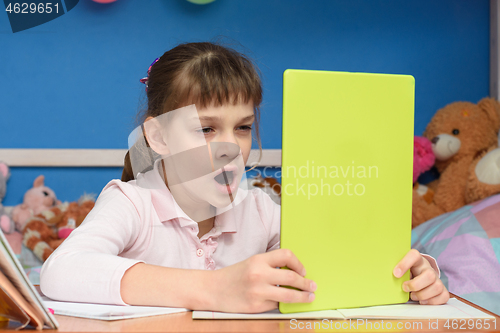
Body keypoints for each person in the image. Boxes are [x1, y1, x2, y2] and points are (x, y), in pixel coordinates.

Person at [40, 42, 449, 313]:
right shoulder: (131, 203)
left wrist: (416, 275)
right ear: (158, 137)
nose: (230, 148)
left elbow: (331, 270)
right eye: (205, 129)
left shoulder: (260, 209)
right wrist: (215, 289)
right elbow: (61, 271)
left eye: (242, 127)